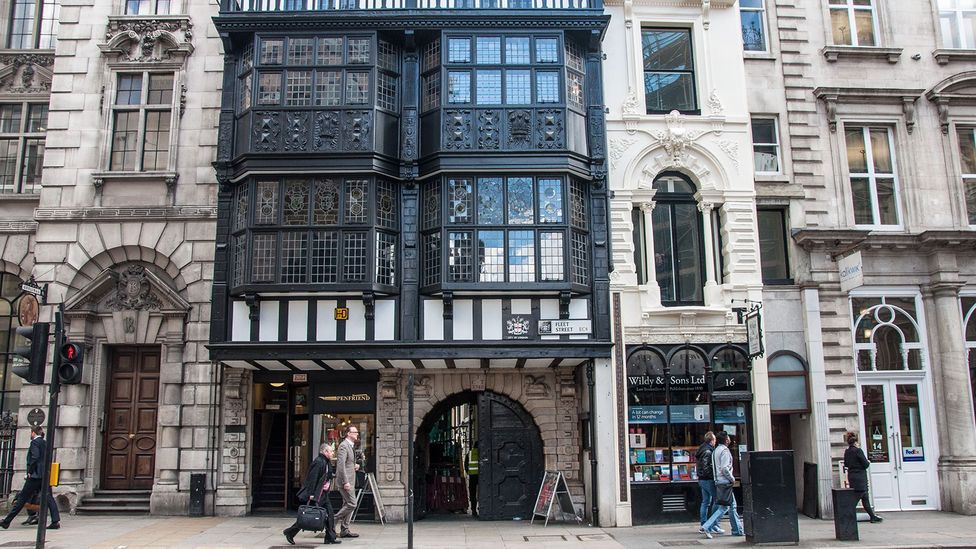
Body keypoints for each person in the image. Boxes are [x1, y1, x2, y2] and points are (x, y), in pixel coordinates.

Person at [1, 426, 61, 530]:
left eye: (31, 432)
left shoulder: (35, 443)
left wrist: (30, 472)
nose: (30, 434)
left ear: (33, 433)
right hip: (45, 475)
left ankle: (6, 521)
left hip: (35, 476)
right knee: (48, 497)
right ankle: (55, 521)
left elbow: (35, 457)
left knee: (22, 498)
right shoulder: (45, 443)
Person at [283, 443, 340, 545]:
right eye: (331, 451)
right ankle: (290, 532)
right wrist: (311, 494)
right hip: (317, 494)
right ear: (325, 452)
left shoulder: (326, 462)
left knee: (330, 514)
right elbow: (312, 479)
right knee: (307, 515)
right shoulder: (319, 462)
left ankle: (330, 537)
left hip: (323, 493)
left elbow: (328, 475)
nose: (332, 453)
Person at [700, 431, 742, 539]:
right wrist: (732, 478)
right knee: (726, 507)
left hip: (718, 481)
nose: (729, 439)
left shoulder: (715, 451)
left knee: (728, 506)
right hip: (725, 482)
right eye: (728, 437)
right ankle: (707, 526)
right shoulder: (724, 451)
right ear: (726, 440)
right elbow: (724, 468)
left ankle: (737, 530)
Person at [844, 431, 883, 523]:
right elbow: (865, 464)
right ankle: (846, 516)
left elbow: (846, 464)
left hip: (852, 475)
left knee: (865, 497)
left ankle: (872, 516)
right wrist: (867, 462)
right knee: (857, 497)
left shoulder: (847, 451)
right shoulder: (858, 451)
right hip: (860, 476)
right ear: (856, 442)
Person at [334, 425, 361, 538]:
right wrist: (345, 482)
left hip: (351, 480)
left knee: (347, 503)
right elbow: (340, 465)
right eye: (355, 432)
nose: (357, 434)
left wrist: (354, 465)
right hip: (346, 482)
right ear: (348, 434)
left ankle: (345, 529)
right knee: (352, 503)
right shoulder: (343, 446)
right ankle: (333, 519)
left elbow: (347, 463)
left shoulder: (350, 446)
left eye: (357, 432)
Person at [695, 431, 722, 534]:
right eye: (714, 440)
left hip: (702, 479)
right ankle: (713, 524)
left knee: (705, 502)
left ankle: (704, 523)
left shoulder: (702, 449)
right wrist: (713, 476)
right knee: (717, 501)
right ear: (711, 441)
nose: (715, 442)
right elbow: (706, 468)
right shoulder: (708, 451)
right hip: (708, 479)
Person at [466, 442, 479, 518]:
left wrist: (469, 472)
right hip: (481, 476)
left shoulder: (469, 453)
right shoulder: (483, 452)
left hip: (472, 476)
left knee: (473, 493)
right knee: (482, 492)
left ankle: (473, 510)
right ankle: (482, 507)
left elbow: (465, 464)